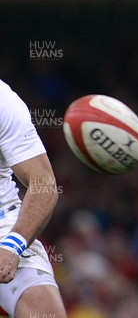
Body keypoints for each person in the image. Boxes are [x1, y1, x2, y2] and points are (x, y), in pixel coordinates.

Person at [0, 79, 67, 317]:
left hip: (1, 224)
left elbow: (43, 183)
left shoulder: (3, 100)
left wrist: (12, 245)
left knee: (45, 311)